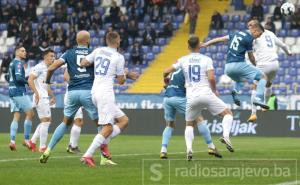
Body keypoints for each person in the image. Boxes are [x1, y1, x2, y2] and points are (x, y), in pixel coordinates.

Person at [163, 36, 234, 160]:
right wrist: (214, 90)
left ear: (188, 47)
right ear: (199, 45)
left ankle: (189, 150)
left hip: (191, 97)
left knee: (189, 124)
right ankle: (226, 136)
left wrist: (166, 79)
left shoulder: (183, 60)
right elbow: (211, 78)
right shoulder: (206, 59)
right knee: (228, 113)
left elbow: (166, 70)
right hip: (206, 94)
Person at [80, 31, 139, 167]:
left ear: (107, 41)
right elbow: (121, 81)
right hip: (105, 94)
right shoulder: (119, 57)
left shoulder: (98, 50)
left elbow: (83, 63)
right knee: (107, 128)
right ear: (117, 41)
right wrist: (125, 73)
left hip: (94, 92)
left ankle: (102, 148)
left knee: (123, 121)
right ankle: (88, 155)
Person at [39, 30, 98, 163]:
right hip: (88, 91)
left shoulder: (69, 53)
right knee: (101, 124)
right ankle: (104, 156)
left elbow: (51, 68)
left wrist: (47, 81)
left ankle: (48, 150)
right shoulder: (94, 53)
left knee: (65, 123)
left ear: (77, 41)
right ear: (88, 41)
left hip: (71, 92)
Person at [202, 20, 269, 110]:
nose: (259, 37)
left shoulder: (234, 34)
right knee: (262, 77)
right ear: (255, 30)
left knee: (240, 80)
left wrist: (207, 44)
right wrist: (257, 67)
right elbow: (251, 57)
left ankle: (235, 91)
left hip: (228, 68)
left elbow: (219, 39)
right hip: (239, 64)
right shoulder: (249, 38)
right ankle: (258, 99)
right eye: (259, 34)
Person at [160, 68, 222, 160]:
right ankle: (211, 146)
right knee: (199, 119)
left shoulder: (174, 71)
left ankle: (163, 150)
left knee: (169, 125)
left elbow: (165, 72)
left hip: (167, 98)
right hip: (179, 98)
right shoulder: (188, 72)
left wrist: (167, 85)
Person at [247, 20, 291, 122]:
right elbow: (283, 45)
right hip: (275, 64)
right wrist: (288, 52)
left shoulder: (254, 36)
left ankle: (253, 113)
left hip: (263, 64)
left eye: (251, 26)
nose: (250, 29)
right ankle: (265, 104)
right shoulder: (270, 33)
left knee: (254, 87)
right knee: (268, 84)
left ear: (257, 28)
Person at [27, 49, 56, 152]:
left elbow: (46, 86)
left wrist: (53, 96)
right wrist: (37, 93)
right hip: (40, 97)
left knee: (47, 120)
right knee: (46, 121)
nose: (53, 58)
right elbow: (30, 79)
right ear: (45, 56)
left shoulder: (49, 69)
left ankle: (32, 141)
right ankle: (42, 147)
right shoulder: (39, 67)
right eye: (51, 56)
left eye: (54, 56)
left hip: (44, 96)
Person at [8, 46, 34, 151]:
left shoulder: (11, 63)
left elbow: (9, 77)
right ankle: (27, 140)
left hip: (11, 91)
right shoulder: (18, 63)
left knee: (16, 116)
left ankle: (12, 141)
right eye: (22, 51)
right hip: (19, 91)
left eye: (25, 50)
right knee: (30, 114)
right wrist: (27, 82)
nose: (25, 52)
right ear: (17, 52)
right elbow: (18, 78)